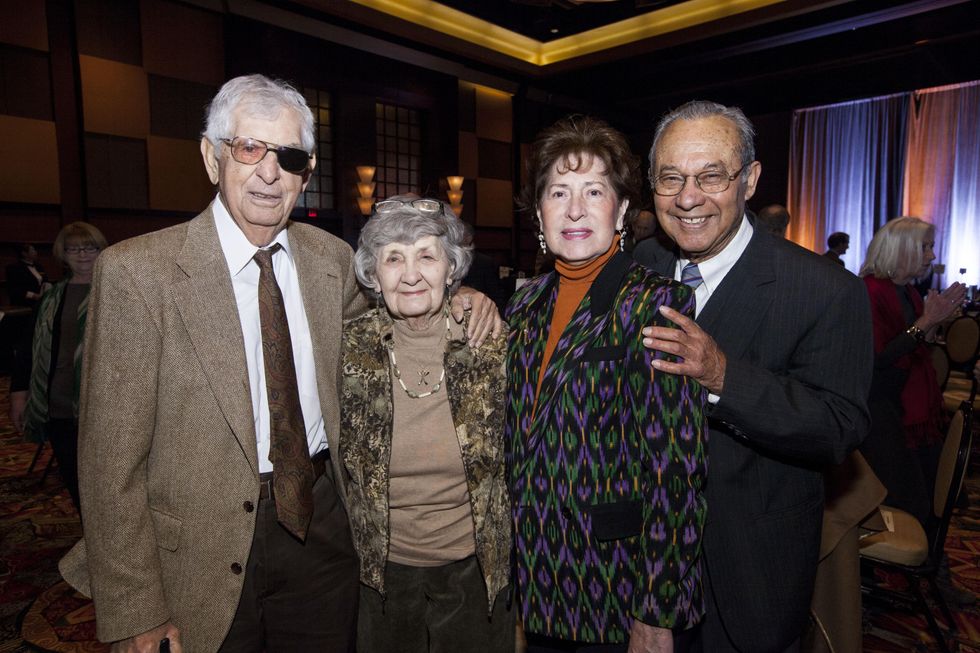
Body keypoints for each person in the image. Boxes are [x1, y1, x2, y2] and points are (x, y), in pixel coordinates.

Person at [57, 74, 501, 653]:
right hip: (197, 547)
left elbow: (399, 307)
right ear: (212, 158)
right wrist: (135, 611)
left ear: (306, 173)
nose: (270, 172)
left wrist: (462, 295)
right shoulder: (138, 273)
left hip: (323, 530)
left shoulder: (331, 260)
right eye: (249, 148)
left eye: (288, 156)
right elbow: (107, 464)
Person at [636, 100, 872, 652]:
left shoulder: (824, 289)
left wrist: (724, 378)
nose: (688, 198)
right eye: (670, 178)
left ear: (750, 180)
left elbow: (839, 426)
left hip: (749, 569)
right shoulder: (642, 264)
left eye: (711, 176)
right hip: (641, 566)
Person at [506, 115, 708, 652]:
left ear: (620, 211)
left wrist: (656, 612)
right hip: (536, 573)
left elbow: (675, 470)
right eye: (558, 192)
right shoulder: (524, 305)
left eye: (593, 191)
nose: (574, 209)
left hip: (616, 583)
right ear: (540, 214)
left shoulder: (656, 303)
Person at [340, 196, 512, 652]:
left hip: (474, 571)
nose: (411, 274)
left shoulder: (492, 344)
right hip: (381, 575)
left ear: (451, 270)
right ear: (374, 275)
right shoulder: (347, 349)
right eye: (394, 258)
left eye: (427, 256)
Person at [858, 216, 966, 527]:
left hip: (908, 405)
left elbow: (915, 346)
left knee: (927, 491)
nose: (932, 255)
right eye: (925, 247)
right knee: (906, 499)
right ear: (901, 249)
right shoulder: (870, 290)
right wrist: (926, 322)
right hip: (881, 407)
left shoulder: (908, 291)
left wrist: (932, 324)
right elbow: (879, 357)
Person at [11, 223, 106, 509]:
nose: (82, 255)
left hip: (103, 406)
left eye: (90, 248)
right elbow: (28, 348)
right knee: (76, 485)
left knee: (106, 487)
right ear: (62, 254)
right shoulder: (51, 298)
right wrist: (19, 394)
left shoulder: (118, 292)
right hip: (58, 405)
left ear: (101, 251)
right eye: (73, 249)